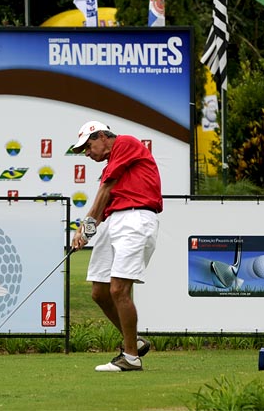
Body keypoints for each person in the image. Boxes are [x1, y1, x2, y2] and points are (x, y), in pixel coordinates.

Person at [71, 120, 162, 372]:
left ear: (102, 136)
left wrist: (86, 226)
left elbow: (106, 189)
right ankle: (136, 340)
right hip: (114, 221)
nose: (87, 154)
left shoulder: (125, 143)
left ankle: (131, 357)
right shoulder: (111, 165)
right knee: (99, 292)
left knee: (118, 290)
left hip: (136, 218)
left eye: (88, 146)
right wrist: (84, 232)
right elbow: (105, 201)